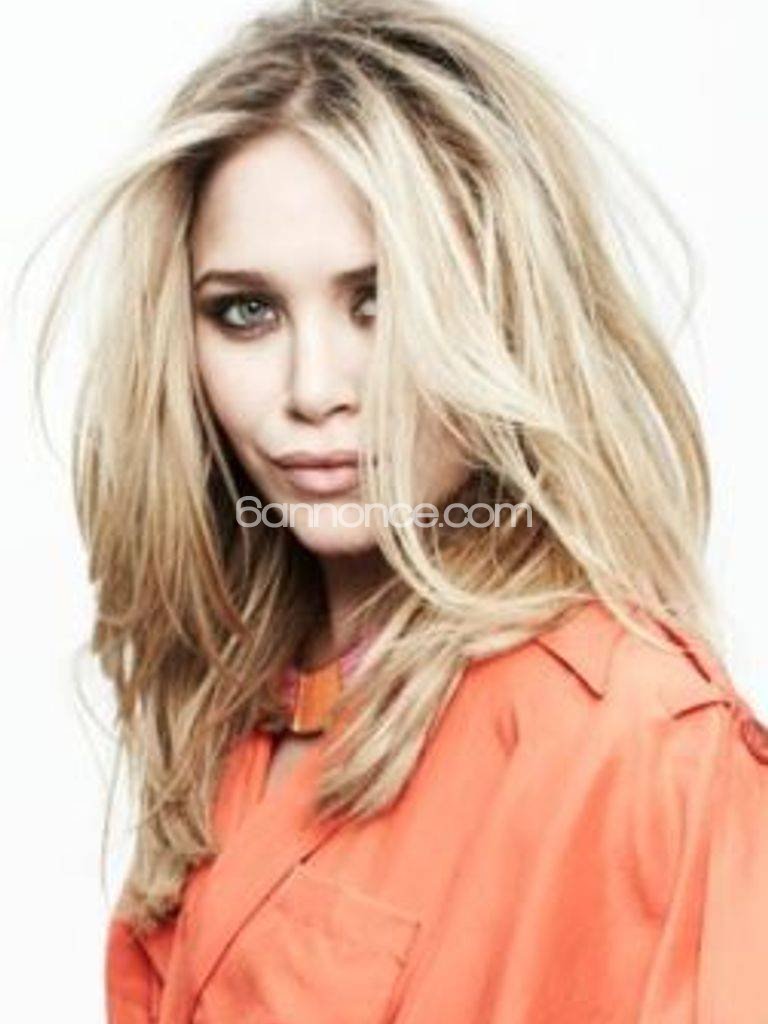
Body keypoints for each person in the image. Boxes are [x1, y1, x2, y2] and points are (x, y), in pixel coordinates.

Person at [30, 0, 768, 1020]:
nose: (313, 388)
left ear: (501, 311)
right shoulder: (231, 709)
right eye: (246, 311)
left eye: (378, 301)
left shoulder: (641, 742)